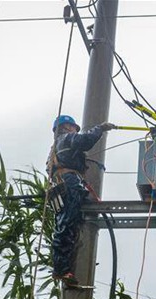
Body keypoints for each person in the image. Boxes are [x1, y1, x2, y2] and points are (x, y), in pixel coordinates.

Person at [47, 115, 115, 286]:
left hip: (64, 184)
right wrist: (100, 128)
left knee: (69, 223)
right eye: (73, 127)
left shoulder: (56, 147)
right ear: (66, 127)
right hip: (69, 183)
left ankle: (65, 266)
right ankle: (61, 269)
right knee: (67, 224)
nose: (74, 130)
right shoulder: (66, 139)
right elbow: (86, 140)